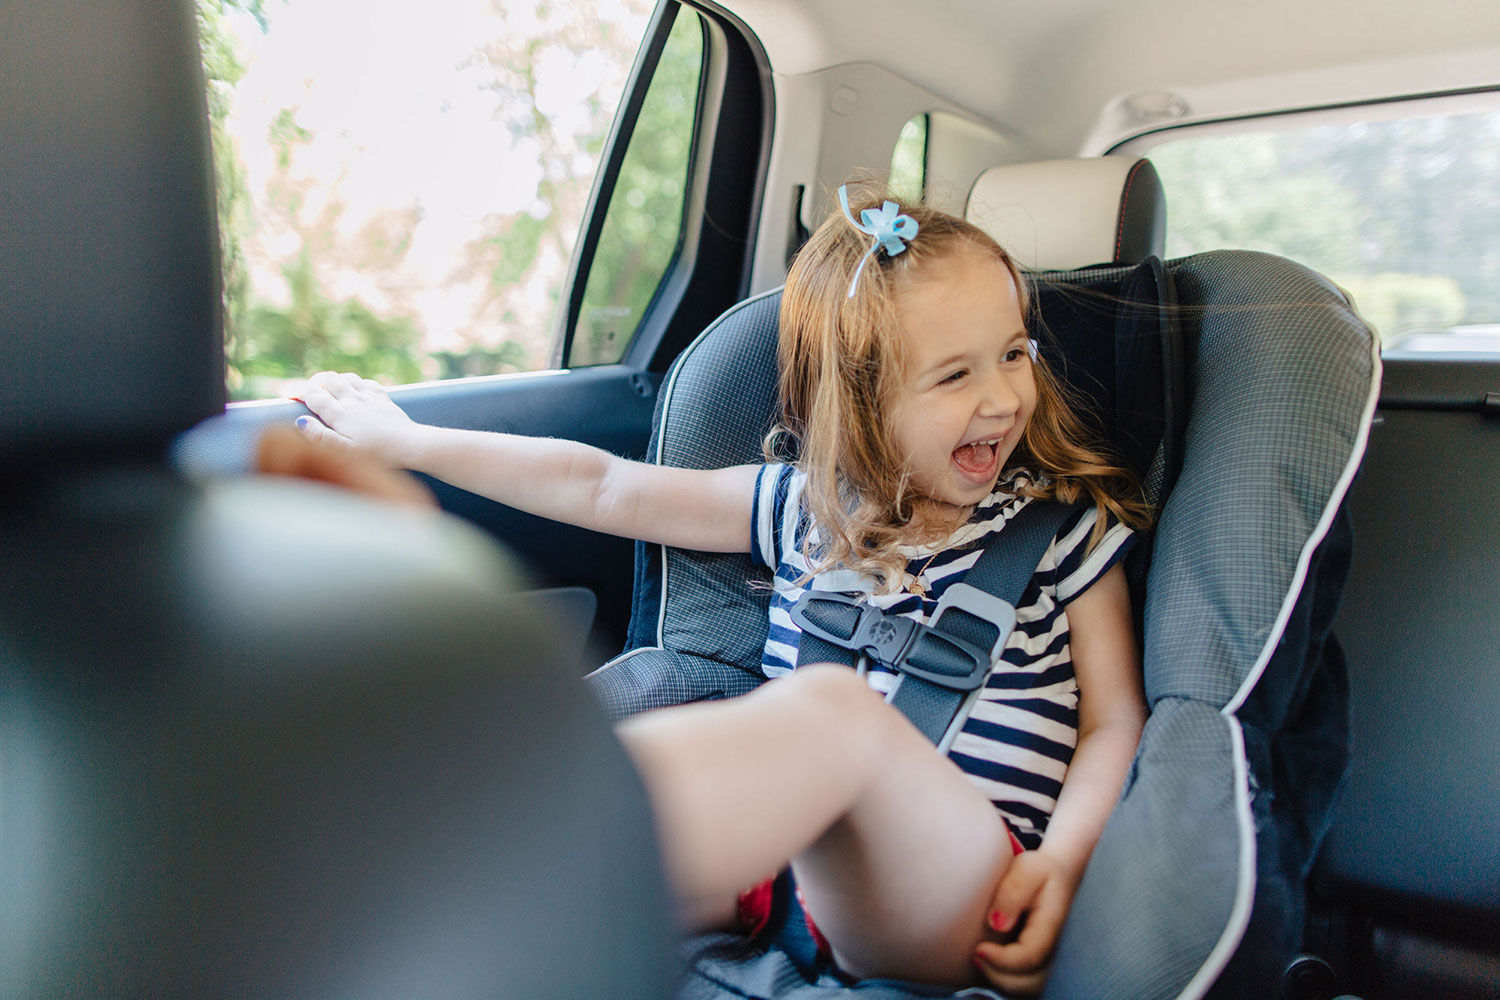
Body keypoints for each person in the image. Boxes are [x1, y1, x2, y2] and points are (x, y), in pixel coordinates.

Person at [290, 185, 1151, 995]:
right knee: (552, 879)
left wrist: (1064, 863)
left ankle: (496, 831)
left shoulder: (1059, 534)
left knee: (832, 716)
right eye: (955, 376)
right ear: (861, 401)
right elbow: (601, 487)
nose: (1003, 397)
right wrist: (411, 444)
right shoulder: (800, 509)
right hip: (780, 883)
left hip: (966, 889)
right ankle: (382, 880)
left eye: (1012, 354)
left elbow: (1115, 722)